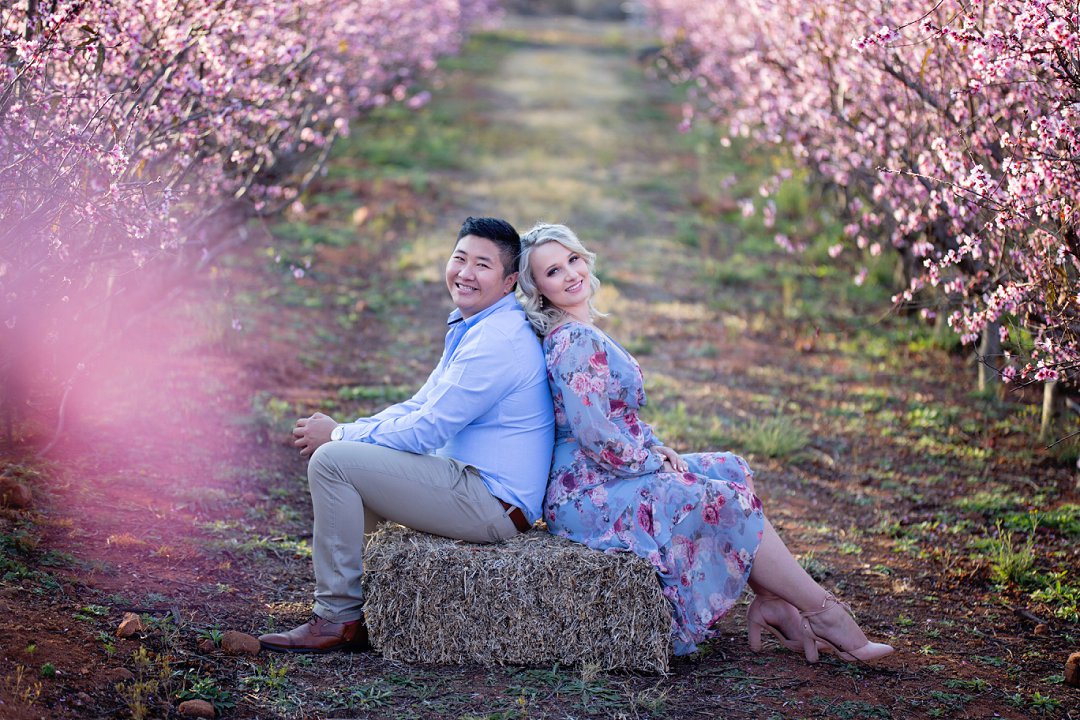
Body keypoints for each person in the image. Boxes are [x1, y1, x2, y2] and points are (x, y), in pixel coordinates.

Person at [516, 222, 894, 663]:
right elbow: (595, 434)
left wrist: (655, 448)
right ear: (538, 288)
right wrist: (650, 462)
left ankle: (771, 600)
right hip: (585, 490)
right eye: (553, 271)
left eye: (573, 260)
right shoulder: (572, 339)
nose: (570, 274)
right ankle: (824, 612)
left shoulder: (583, 329)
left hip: (608, 469)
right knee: (722, 498)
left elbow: (616, 417)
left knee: (729, 468)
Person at [259, 217, 555, 653]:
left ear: (510, 280)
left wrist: (339, 435)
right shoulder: (476, 324)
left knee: (332, 462)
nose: (465, 273)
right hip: (473, 484)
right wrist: (352, 432)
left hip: (492, 502)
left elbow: (428, 430)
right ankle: (369, 605)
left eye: (482, 265)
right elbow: (420, 406)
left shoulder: (498, 341)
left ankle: (337, 619)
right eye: (459, 258)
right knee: (348, 455)